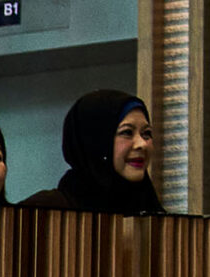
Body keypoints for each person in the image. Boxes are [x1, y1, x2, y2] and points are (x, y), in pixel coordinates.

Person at [18, 89, 165, 215]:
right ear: (96, 142)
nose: (142, 144)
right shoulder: (44, 212)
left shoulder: (154, 214)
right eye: (127, 132)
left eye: (146, 134)